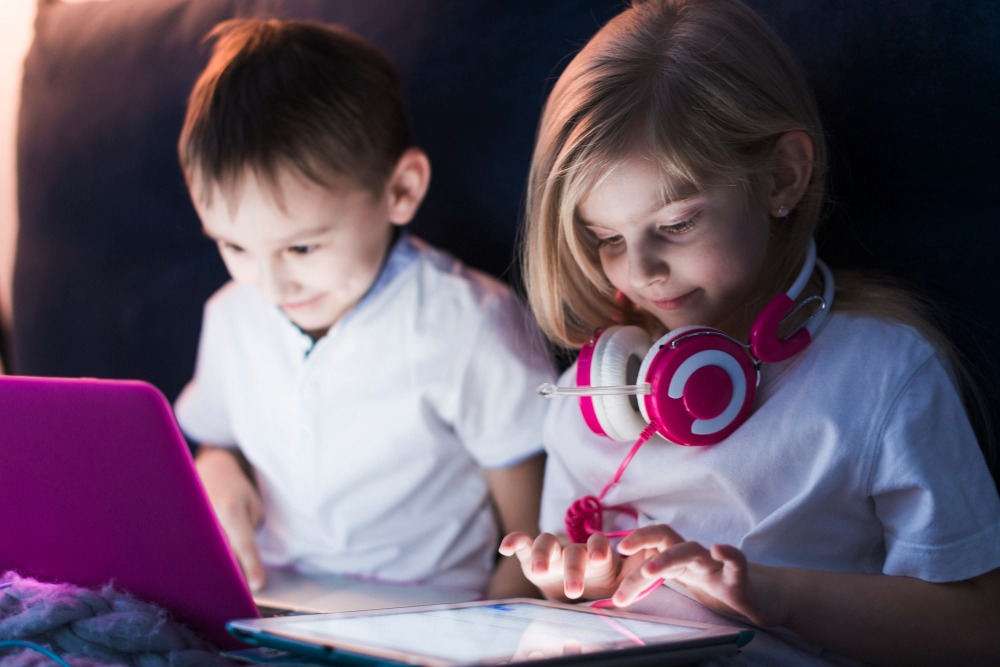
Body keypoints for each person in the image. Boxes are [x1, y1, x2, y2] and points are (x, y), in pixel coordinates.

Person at [499, 0, 1000, 664]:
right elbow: (560, 602)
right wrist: (578, 581)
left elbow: (978, 626)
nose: (641, 271)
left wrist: (774, 595)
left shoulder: (882, 375)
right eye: (607, 239)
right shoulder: (590, 398)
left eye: (676, 224)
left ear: (782, 178)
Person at [174, 18, 554, 600]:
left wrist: (501, 622)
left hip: (426, 612)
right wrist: (218, 473)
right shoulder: (232, 316)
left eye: (302, 248)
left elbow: (533, 536)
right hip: (271, 599)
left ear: (401, 190)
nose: (269, 284)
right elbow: (216, 440)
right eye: (235, 247)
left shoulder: (468, 323)